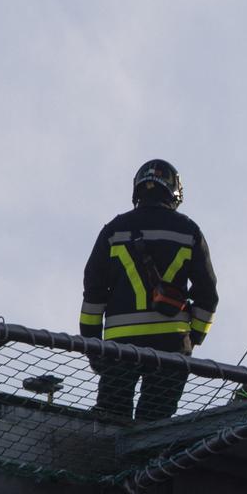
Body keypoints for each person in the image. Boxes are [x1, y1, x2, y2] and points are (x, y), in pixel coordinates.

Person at [81, 159, 219, 420]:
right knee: (154, 427)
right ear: (174, 192)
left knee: (111, 420)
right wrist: (194, 337)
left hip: (120, 346)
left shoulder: (114, 230)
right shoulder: (189, 231)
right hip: (171, 346)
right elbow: (208, 294)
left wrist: (93, 346)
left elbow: (93, 293)